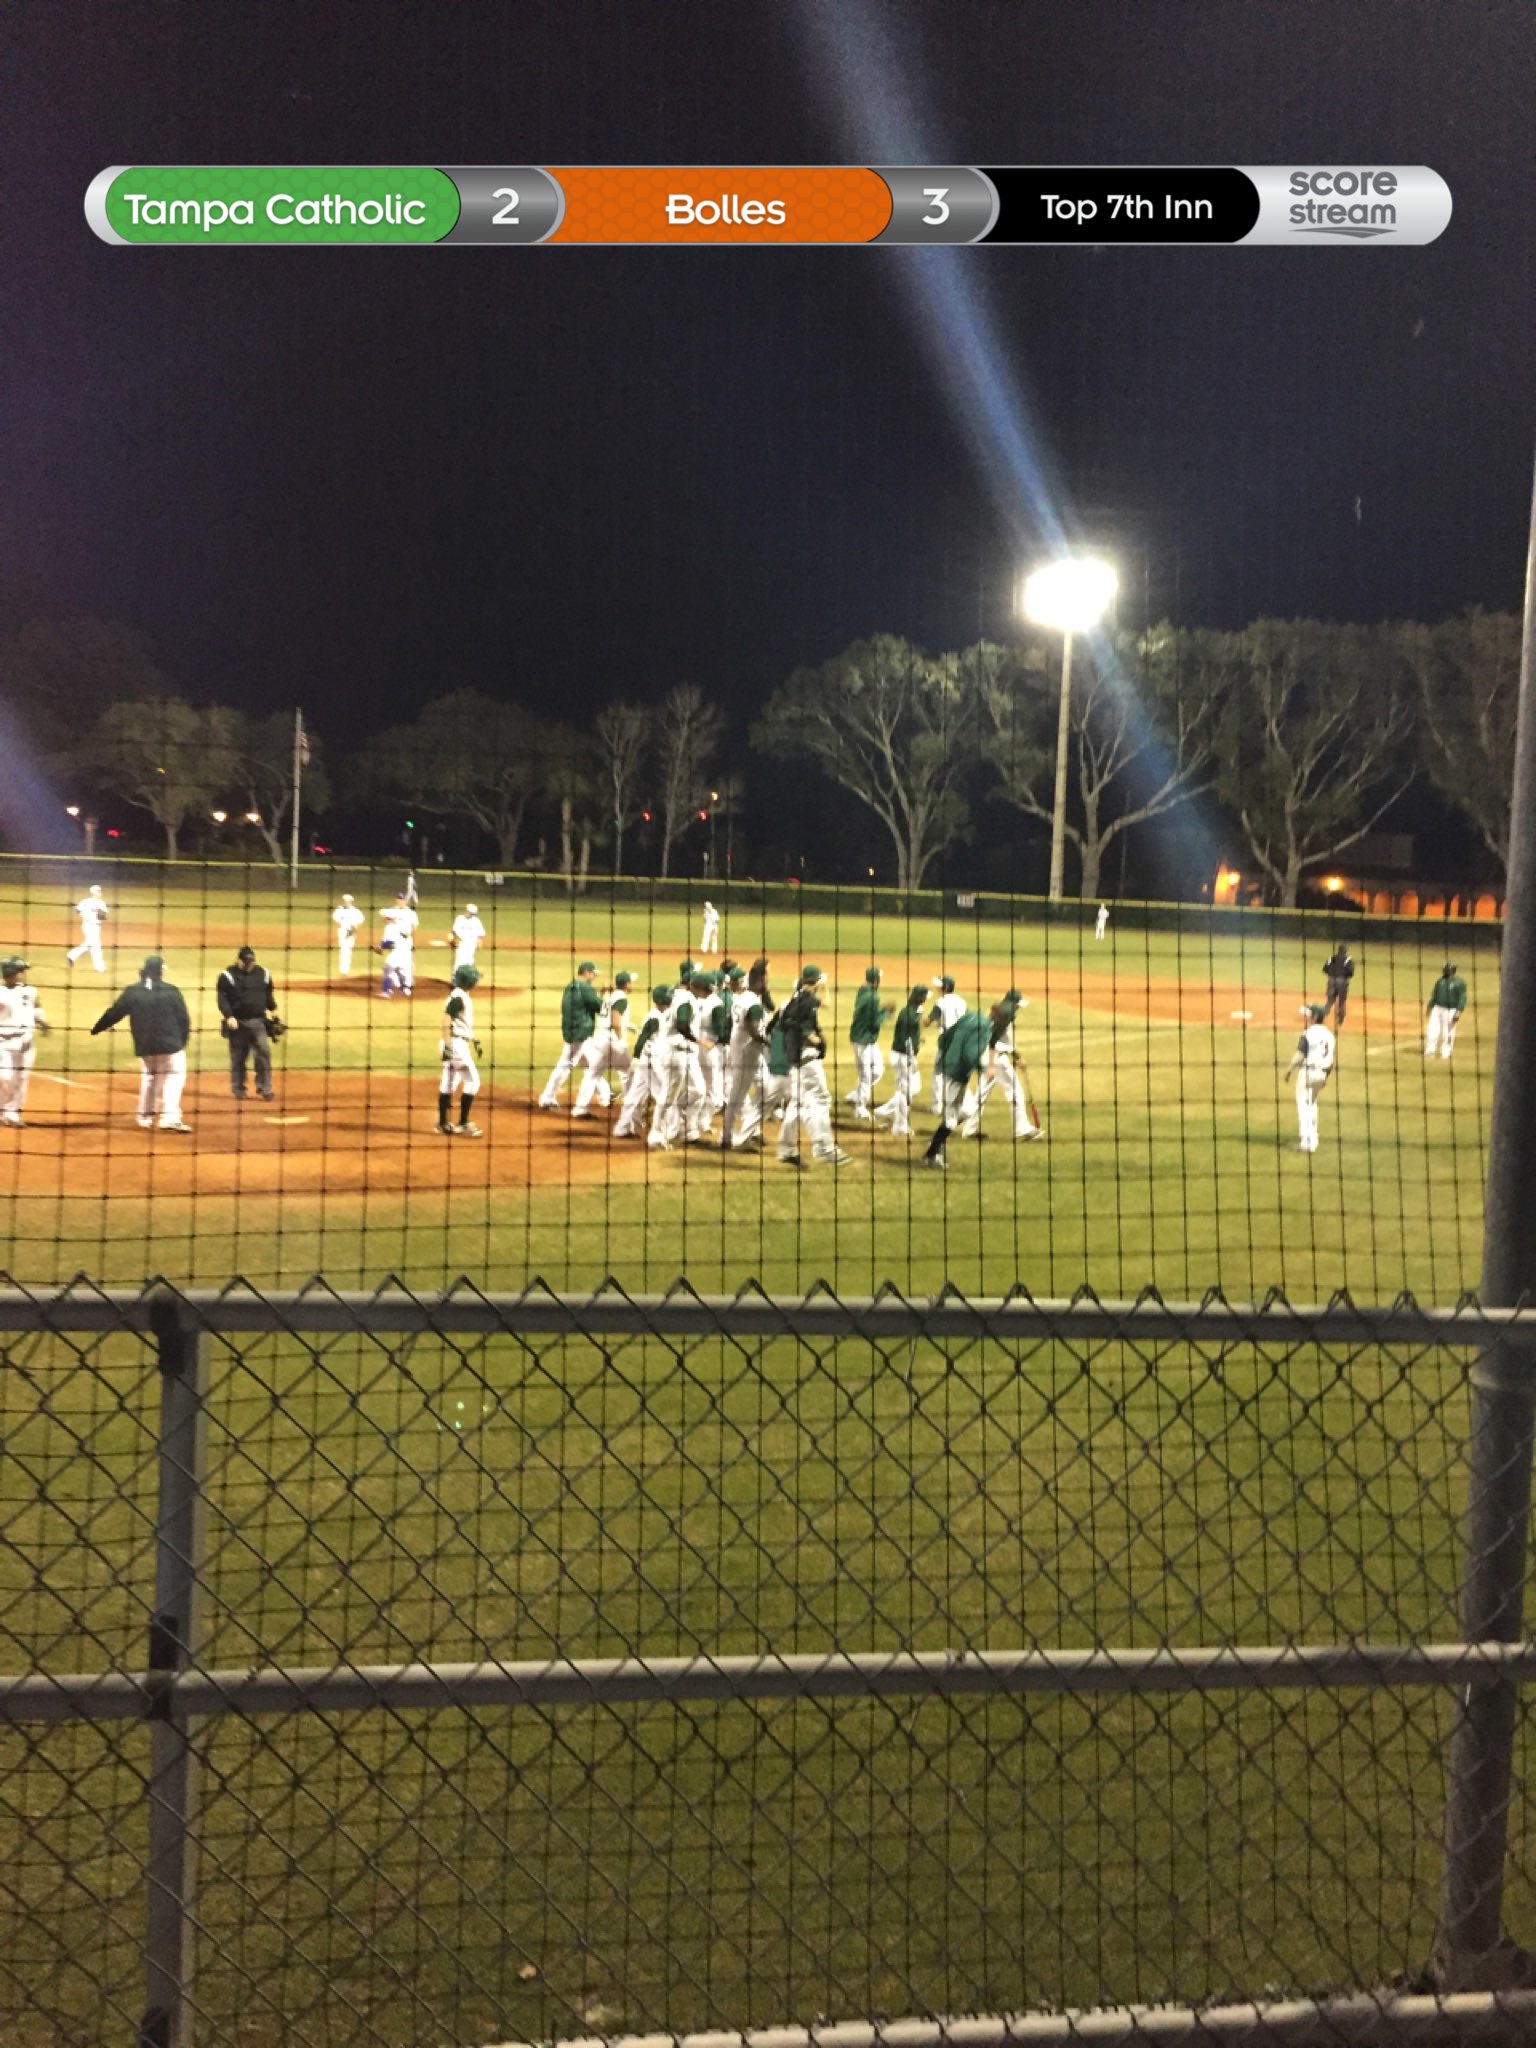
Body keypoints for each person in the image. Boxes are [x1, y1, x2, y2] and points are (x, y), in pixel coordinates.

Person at [90, 956, 193, 1132]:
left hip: (145, 1046)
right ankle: (170, 1118)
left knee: (150, 1078)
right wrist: (182, 1041)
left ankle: (144, 1117)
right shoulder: (171, 991)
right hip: (170, 1045)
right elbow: (184, 1019)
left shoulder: (133, 991)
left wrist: (97, 1028)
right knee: (174, 1077)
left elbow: (114, 1012)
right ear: (160, 972)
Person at [777, 965, 849, 1168]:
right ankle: (824, 1148)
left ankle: (787, 1150)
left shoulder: (799, 998)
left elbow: (785, 1022)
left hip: (796, 1060)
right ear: (815, 982)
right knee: (822, 1100)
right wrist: (807, 1034)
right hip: (806, 1059)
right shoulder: (804, 1001)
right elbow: (790, 1021)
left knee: (796, 1105)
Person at [921, 1006, 993, 1170]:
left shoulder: (970, 1017)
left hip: (949, 1068)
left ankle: (936, 1141)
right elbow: (970, 1053)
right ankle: (931, 1155)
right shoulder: (985, 1028)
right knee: (951, 1120)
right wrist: (983, 1069)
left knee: (968, 1110)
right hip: (955, 1075)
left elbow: (944, 1037)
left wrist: (943, 1057)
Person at [975, 989, 1043, 1140]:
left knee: (981, 1094)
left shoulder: (999, 1011)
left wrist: (1017, 1058)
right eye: (1017, 1004)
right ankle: (1021, 1129)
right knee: (1015, 1092)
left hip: (989, 1055)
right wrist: (992, 1066)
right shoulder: (1006, 1014)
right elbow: (993, 1040)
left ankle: (970, 1129)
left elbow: (1005, 1041)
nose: (1019, 1007)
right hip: (996, 1059)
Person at [217, 946, 280, 1101]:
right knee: (238, 1057)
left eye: (250, 962)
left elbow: (268, 995)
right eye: (245, 962)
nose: (248, 965)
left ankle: (264, 1088)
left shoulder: (263, 974)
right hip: (237, 1024)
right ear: (239, 960)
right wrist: (229, 1016)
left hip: (258, 1021)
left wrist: (273, 1009)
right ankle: (238, 1089)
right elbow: (222, 999)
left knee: (263, 1054)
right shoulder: (227, 976)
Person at [538, 961, 601, 1109]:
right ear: (586, 972)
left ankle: (605, 1095)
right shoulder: (585, 988)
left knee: (592, 1065)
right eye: (593, 973)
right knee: (565, 1066)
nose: (594, 977)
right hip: (580, 1033)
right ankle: (547, 1098)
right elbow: (599, 1006)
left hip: (571, 1030)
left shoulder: (571, 986)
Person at [612, 985, 673, 1140]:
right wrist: (636, 1056)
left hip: (649, 1061)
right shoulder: (654, 1017)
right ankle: (664, 1132)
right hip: (652, 1062)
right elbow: (642, 1038)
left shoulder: (662, 1014)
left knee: (633, 1096)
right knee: (663, 1095)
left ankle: (622, 1128)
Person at [573, 970, 635, 1118]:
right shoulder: (621, 999)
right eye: (631, 982)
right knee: (629, 1073)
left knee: (592, 1075)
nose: (632, 985)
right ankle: (631, 1108)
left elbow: (608, 1016)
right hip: (612, 1043)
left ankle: (579, 1109)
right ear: (626, 985)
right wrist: (620, 1040)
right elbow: (615, 1021)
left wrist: (628, 1025)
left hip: (599, 1040)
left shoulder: (610, 997)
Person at [721, 964, 770, 1149]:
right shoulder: (753, 1003)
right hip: (745, 1053)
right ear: (761, 980)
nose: (768, 981)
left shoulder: (742, 998)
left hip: (748, 1052)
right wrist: (771, 1043)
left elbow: (731, 1021)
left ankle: (751, 1130)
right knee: (737, 1095)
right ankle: (727, 1138)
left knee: (766, 1088)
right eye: (767, 977)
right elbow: (753, 1030)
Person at [0, 956, 49, 1129]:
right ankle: (2, 1108)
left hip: (26, 1041)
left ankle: (12, 1113)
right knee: (4, 1077)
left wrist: (42, 1022)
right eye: (20, 970)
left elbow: (36, 1007)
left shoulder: (30, 991)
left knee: (21, 1078)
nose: (23, 974)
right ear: (11, 973)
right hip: (3, 1042)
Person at [437, 965, 484, 1137]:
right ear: (469, 981)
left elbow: (459, 1023)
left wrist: (473, 1038)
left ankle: (442, 1124)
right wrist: (449, 1046)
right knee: (473, 1082)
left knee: (449, 1082)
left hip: (455, 1043)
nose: (477, 981)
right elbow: (445, 1021)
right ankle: (463, 1123)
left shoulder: (459, 996)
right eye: (475, 978)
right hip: (455, 1046)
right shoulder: (459, 998)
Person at [874, 984, 927, 1138]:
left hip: (899, 1055)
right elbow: (907, 1040)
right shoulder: (909, 1015)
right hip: (904, 1056)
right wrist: (912, 1059)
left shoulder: (911, 1010)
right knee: (909, 1091)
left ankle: (883, 1112)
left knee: (907, 1090)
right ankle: (900, 1127)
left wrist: (919, 1037)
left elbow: (912, 1033)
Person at [1285, 1003, 1336, 1154]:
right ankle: (1313, 1139)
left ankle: (1307, 1143)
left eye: (1309, 1015)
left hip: (1308, 1073)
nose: (1307, 1018)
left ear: (1314, 1017)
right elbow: (1332, 1061)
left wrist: (1289, 1070)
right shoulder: (1329, 1035)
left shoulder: (1308, 1034)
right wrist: (1325, 1077)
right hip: (1322, 1073)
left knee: (1303, 1106)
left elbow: (1300, 1055)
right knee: (1312, 1104)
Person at [846, 967, 892, 1122]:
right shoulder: (873, 997)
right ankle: (860, 1108)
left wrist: (881, 1011)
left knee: (877, 1070)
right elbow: (875, 1022)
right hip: (863, 1041)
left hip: (861, 1038)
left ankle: (855, 1095)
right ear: (877, 980)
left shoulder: (863, 991)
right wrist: (886, 1013)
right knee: (866, 1074)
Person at [926, 977, 968, 1115]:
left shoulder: (941, 1002)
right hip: (960, 1041)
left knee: (938, 1073)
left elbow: (928, 1021)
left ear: (945, 988)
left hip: (946, 1041)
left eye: (939, 986)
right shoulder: (962, 1001)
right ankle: (959, 1105)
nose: (937, 988)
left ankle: (937, 1107)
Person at [1425, 961, 1468, 1060]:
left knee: (1448, 1032)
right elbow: (1434, 995)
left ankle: (1446, 1052)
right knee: (1432, 1030)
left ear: (1451, 971)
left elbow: (1462, 998)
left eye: (1446, 969)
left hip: (1451, 1010)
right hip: (1437, 1008)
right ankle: (1430, 1050)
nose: (1444, 971)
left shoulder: (1459, 983)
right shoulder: (1440, 981)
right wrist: (1429, 1007)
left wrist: (1458, 1012)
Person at [380, 892, 419, 997]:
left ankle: (404, 987)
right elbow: (383, 914)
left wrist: (409, 933)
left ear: (405, 900)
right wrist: (382, 946)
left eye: (402, 899)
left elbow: (415, 926)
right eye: (398, 899)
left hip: (406, 946)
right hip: (397, 947)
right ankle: (391, 989)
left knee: (405, 968)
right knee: (389, 967)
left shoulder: (411, 913)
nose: (400, 901)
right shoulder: (393, 913)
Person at [66, 884, 109, 972]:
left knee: (92, 945)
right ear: (93, 892)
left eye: (100, 891)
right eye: (98, 891)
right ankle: (100, 967)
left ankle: (72, 955)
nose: (100, 893)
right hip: (87, 926)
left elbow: (104, 916)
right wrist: (84, 916)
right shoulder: (86, 901)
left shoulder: (102, 903)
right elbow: (77, 910)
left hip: (96, 926)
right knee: (95, 945)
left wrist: (103, 916)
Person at [1320, 945, 1354, 1028]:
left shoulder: (1332, 958)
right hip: (1342, 982)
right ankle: (1340, 1022)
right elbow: (1351, 973)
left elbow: (1324, 969)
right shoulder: (1348, 959)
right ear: (1345, 951)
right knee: (1342, 1002)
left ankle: (1321, 1019)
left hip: (1331, 981)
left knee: (1330, 1001)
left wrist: (1332, 974)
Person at [332, 893, 365, 975]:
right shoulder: (339, 910)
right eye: (345, 901)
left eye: (348, 901)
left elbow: (361, 919)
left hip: (351, 932)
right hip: (343, 932)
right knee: (344, 950)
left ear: (351, 902)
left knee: (348, 950)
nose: (346, 903)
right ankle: (344, 971)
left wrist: (354, 927)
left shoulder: (355, 911)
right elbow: (335, 918)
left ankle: (345, 970)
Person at [450, 903, 486, 972]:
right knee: (459, 961)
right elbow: (454, 931)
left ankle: (467, 979)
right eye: (468, 911)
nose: (468, 912)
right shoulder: (460, 918)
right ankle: (455, 979)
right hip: (462, 943)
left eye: (470, 912)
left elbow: (480, 934)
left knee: (469, 961)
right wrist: (453, 940)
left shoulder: (476, 921)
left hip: (472, 944)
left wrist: (479, 943)